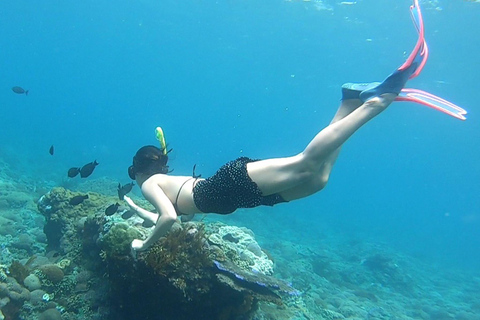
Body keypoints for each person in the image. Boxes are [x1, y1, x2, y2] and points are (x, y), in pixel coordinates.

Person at [123, 0, 466, 252]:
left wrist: (143, 245)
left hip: (229, 186)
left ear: (138, 170)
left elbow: (167, 218)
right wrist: (136, 210)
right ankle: (349, 101)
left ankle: (376, 103)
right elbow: (175, 216)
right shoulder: (159, 183)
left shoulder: (149, 183)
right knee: (318, 180)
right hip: (234, 194)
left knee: (306, 163)